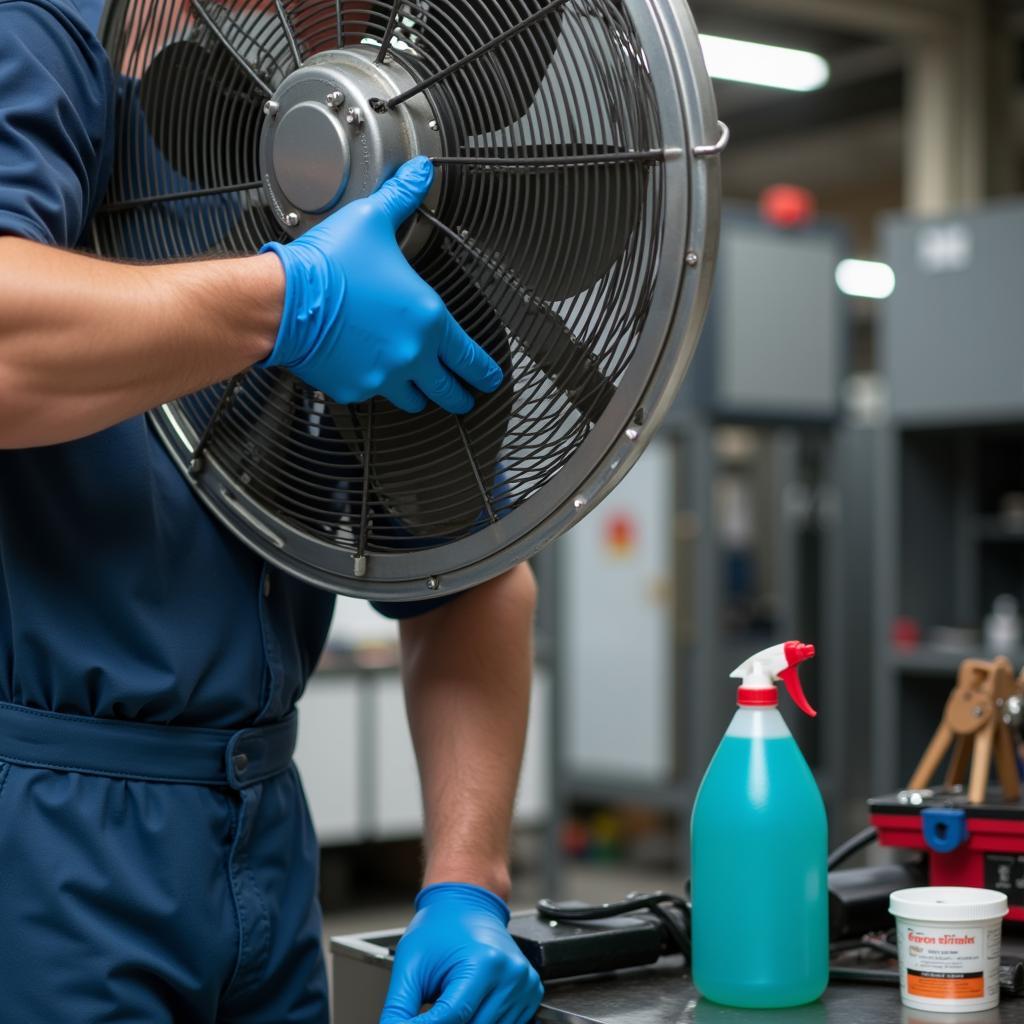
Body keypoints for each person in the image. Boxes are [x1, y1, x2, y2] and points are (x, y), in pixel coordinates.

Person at [0, 0, 545, 1021]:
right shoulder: (42, 35)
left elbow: (467, 579)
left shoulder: (361, 169)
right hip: (40, 835)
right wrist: (288, 303)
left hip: (265, 845)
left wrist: (467, 882)